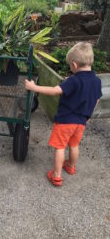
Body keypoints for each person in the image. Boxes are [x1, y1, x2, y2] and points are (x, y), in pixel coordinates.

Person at [25, 42, 102, 186]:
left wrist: (33, 87)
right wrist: (88, 116)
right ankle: (71, 167)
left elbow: (55, 91)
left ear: (74, 65)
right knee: (74, 145)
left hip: (65, 121)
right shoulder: (97, 81)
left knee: (60, 147)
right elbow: (96, 100)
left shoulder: (73, 80)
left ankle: (57, 175)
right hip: (81, 122)